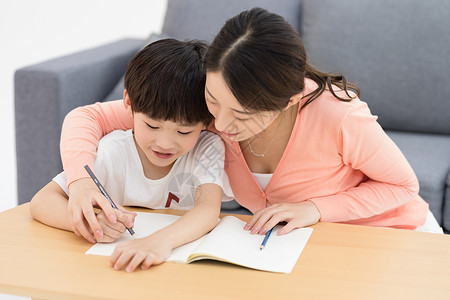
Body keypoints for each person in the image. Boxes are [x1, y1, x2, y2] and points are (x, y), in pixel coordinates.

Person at [57, 8, 443, 234]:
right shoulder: (206, 105)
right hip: (304, 246)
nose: (219, 123)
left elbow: (403, 185)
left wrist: (315, 208)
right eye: (212, 100)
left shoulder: (338, 116)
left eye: (242, 115)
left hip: (393, 236)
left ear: (289, 100)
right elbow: (86, 117)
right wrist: (78, 183)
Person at [30, 38, 232, 272]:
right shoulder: (113, 151)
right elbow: (41, 202)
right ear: (128, 104)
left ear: (207, 121)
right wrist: (91, 224)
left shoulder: (207, 148)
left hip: (176, 268)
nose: (164, 143)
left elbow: (207, 211)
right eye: (152, 126)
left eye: (183, 131)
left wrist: (159, 242)